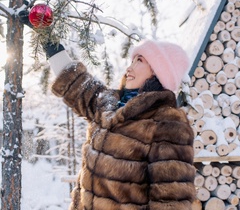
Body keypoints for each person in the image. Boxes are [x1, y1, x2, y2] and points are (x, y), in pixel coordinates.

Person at [19, 11, 196, 210]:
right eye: (131, 60)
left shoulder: (168, 122)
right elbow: (75, 82)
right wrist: (48, 38)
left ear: (158, 72)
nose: (129, 68)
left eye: (139, 61)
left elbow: (170, 201)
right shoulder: (109, 105)